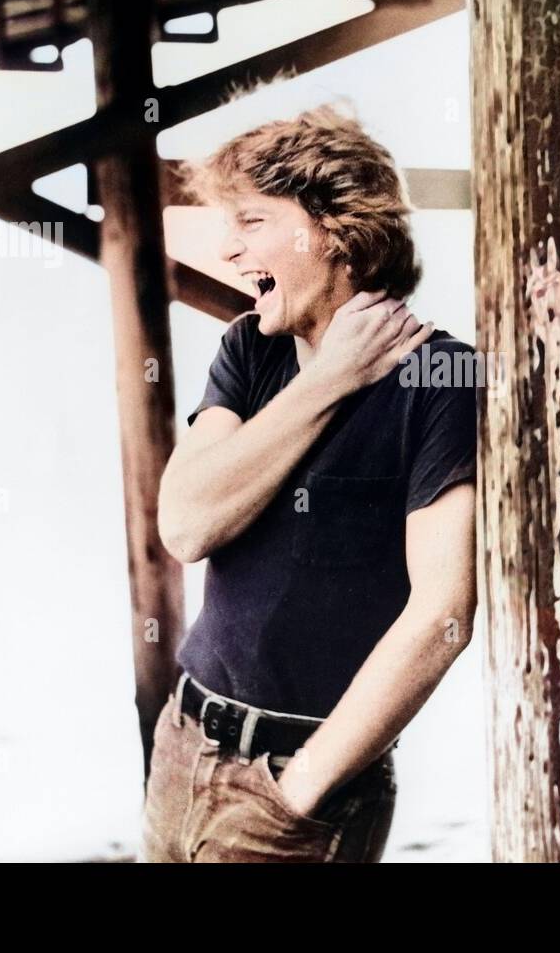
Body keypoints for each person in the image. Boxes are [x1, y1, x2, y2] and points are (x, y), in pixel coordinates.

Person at [144, 104, 478, 863]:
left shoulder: (442, 378)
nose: (230, 251)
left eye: (252, 221)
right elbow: (187, 526)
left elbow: (444, 615)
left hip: (298, 782)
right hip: (181, 745)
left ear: (333, 228)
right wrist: (327, 380)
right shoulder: (252, 350)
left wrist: (298, 791)